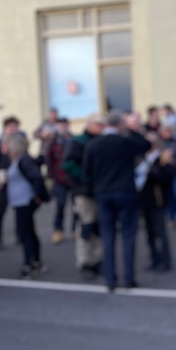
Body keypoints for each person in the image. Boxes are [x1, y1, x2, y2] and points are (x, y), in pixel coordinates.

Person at [82, 110, 151, 292]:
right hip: (125, 191)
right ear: (121, 125)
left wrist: (92, 190)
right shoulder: (126, 142)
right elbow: (146, 145)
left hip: (103, 193)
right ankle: (129, 278)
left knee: (108, 236)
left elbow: (86, 172)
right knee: (128, 235)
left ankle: (110, 279)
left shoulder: (93, 145)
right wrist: (133, 129)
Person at [64, 114, 104, 280]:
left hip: (100, 189)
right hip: (84, 191)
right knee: (86, 226)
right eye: (98, 125)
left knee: (99, 226)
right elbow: (67, 164)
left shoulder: (101, 141)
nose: (101, 128)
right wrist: (85, 177)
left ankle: (98, 259)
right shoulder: (78, 141)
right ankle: (85, 261)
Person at [5, 132, 49, 279]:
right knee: (29, 231)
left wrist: (37, 195)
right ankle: (36, 261)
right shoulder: (17, 160)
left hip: (25, 201)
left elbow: (36, 176)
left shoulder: (23, 160)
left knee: (25, 233)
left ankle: (28, 264)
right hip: (20, 201)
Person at [139, 133, 176, 272]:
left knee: (161, 233)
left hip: (158, 200)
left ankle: (165, 260)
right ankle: (154, 259)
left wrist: (152, 174)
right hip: (145, 200)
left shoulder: (163, 159)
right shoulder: (142, 158)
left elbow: (169, 176)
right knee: (149, 234)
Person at [0, 117, 23, 250]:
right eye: (11, 127)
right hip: (3, 180)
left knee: (19, 210)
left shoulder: (20, 143)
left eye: (15, 127)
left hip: (17, 181)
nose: (13, 129)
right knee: (1, 210)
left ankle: (19, 235)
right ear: (5, 128)